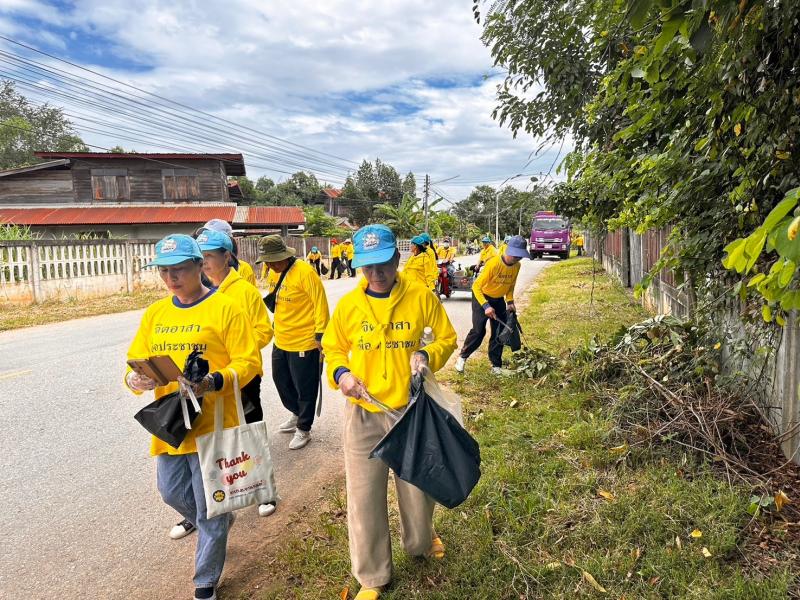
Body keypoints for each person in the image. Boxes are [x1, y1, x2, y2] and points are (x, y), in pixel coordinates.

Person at [322, 224, 457, 600]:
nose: (376, 272)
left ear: (398, 258)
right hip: (363, 412)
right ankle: (372, 575)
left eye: (383, 263)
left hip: (410, 411)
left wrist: (427, 355)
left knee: (416, 487)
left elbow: (447, 338)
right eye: (367, 265)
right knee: (363, 495)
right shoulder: (349, 305)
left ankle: (422, 540)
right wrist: (342, 374)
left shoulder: (420, 296)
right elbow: (333, 348)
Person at [125, 234, 261, 600]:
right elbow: (136, 360)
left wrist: (215, 380)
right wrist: (135, 379)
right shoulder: (156, 314)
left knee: (209, 507)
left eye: (179, 270)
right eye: (163, 271)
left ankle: (205, 582)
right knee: (171, 492)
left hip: (213, 423)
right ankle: (218, 518)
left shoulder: (226, 308)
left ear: (200, 266)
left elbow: (249, 362)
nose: (170, 278)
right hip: (172, 424)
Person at [197, 229, 277, 518]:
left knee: (248, 434)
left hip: (242, 376)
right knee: (207, 438)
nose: (204, 263)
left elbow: (264, 330)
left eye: (209, 256)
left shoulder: (244, 291)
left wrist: (237, 349)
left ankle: (264, 492)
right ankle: (207, 501)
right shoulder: (198, 293)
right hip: (206, 381)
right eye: (200, 257)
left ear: (226, 256)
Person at [258, 235, 330, 449]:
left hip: (304, 341)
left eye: (274, 260)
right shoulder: (273, 271)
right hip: (281, 338)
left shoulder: (305, 273)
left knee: (305, 388)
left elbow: (320, 304)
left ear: (285, 256)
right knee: (281, 382)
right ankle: (297, 413)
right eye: (267, 261)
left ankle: (304, 428)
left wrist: (321, 336)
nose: (271, 265)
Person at [455, 235, 530, 375]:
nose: (518, 259)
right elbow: (476, 286)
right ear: (509, 251)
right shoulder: (494, 264)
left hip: (498, 299)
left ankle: (496, 364)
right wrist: (486, 306)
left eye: (520, 256)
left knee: (499, 332)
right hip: (482, 298)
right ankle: (462, 357)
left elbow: (511, 285)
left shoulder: (517, 266)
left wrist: (510, 301)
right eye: (516, 256)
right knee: (479, 331)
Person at [198, 219, 257, 286]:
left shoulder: (243, 269)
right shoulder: (199, 272)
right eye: (205, 234)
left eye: (213, 235)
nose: (206, 238)